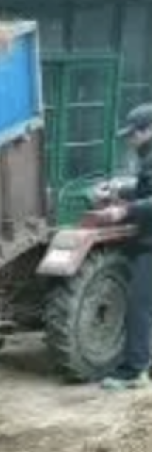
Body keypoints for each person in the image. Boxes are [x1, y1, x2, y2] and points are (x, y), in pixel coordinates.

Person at [92, 104, 152, 391]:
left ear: (148, 130)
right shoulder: (147, 156)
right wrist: (117, 190)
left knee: (139, 304)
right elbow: (146, 188)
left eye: (134, 133)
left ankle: (134, 371)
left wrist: (122, 211)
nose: (130, 139)